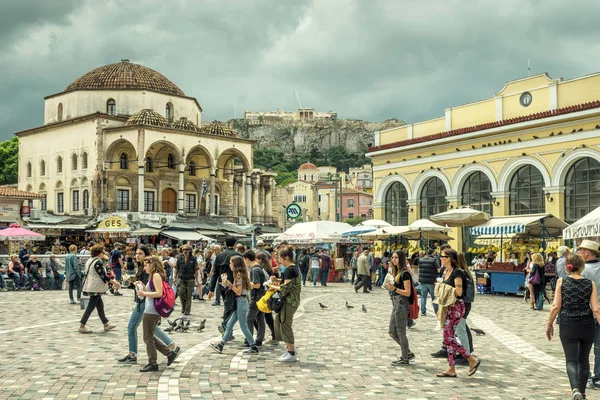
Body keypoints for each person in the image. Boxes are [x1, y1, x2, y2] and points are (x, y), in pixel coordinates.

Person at [547, 253, 600, 400]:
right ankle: (582, 393)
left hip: (568, 324)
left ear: (567, 267)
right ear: (582, 267)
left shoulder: (561, 282)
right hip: (587, 325)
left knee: (571, 360)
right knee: (584, 360)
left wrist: (549, 324)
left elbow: (556, 305)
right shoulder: (590, 284)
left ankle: (575, 389)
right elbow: (596, 309)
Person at [118, 245, 179, 364]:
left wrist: (143, 292)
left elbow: (156, 292)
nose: (137, 256)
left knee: (136, 329)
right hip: (145, 303)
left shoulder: (152, 273)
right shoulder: (143, 269)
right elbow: (149, 288)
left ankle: (142, 358)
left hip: (145, 304)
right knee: (151, 332)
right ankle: (171, 349)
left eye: (140, 253)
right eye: (136, 253)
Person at [436, 248, 480, 378]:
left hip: (456, 307)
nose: (440, 258)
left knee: (447, 338)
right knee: (448, 337)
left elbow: (459, 292)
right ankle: (451, 368)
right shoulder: (446, 271)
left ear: (449, 258)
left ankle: (471, 359)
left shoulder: (457, 273)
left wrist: (442, 288)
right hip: (448, 307)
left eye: (442, 256)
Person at [136, 255, 179, 372]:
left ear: (152, 265)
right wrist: (143, 288)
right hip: (152, 310)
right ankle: (169, 354)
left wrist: (144, 294)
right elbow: (152, 291)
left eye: (146, 265)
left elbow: (159, 293)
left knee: (147, 337)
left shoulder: (156, 275)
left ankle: (153, 362)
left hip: (151, 311)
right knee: (149, 336)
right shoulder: (155, 276)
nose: (144, 267)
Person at [210, 255, 259, 355]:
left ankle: (253, 346)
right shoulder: (239, 274)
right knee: (229, 325)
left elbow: (239, 292)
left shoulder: (239, 276)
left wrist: (229, 284)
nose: (229, 265)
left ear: (235, 264)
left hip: (241, 301)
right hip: (240, 302)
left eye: (231, 263)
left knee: (243, 326)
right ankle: (221, 345)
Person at [270, 246, 301, 362]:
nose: (279, 261)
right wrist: (276, 281)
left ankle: (291, 353)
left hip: (289, 301)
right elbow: (287, 284)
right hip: (292, 301)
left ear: (286, 258)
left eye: (280, 258)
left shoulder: (289, 269)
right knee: (279, 322)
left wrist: (272, 286)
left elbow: (285, 288)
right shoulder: (293, 268)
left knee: (285, 324)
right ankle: (289, 349)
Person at [384, 250, 415, 366]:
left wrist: (394, 289)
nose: (394, 259)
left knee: (401, 332)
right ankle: (407, 352)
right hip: (396, 303)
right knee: (392, 332)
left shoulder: (405, 273)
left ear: (401, 259)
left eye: (396, 257)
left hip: (402, 304)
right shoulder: (396, 272)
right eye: (393, 257)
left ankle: (405, 358)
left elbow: (407, 292)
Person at [79, 244, 118, 334]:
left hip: (91, 285)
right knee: (91, 306)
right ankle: (82, 325)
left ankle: (106, 324)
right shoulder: (98, 262)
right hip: (95, 287)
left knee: (100, 306)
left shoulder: (90, 260)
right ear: (99, 252)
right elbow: (103, 276)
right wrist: (115, 282)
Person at [578, 239, 600, 389]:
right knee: (599, 348)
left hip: (585, 314)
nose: (578, 253)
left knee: (582, 347)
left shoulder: (583, 271)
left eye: (580, 251)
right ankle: (598, 377)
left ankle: (582, 376)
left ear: (587, 252)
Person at [208, 237, 241, 335]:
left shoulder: (219, 256)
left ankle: (227, 332)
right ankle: (225, 326)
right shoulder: (238, 256)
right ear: (235, 244)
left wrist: (211, 289)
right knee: (232, 308)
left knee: (228, 306)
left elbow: (215, 273)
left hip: (222, 285)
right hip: (234, 285)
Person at [243, 250, 267, 347]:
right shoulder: (259, 268)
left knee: (249, 319)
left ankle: (249, 340)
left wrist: (247, 284)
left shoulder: (255, 269)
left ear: (247, 259)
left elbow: (257, 285)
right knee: (260, 319)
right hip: (261, 296)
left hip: (256, 297)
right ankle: (259, 339)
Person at [175, 244, 198, 315]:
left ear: (190, 250)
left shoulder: (193, 258)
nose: (185, 251)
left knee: (189, 295)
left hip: (190, 278)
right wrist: (175, 277)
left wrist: (197, 279)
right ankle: (183, 306)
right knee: (181, 293)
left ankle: (187, 310)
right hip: (181, 278)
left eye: (187, 249)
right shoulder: (179, 258)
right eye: (184, 249)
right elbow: (177, 268)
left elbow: (196, 269)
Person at [417, 248, 440, 317]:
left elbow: (419, 269)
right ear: (432, 253)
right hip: (431, 281)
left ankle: (423, 311)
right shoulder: (434, 260)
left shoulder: (421, 259)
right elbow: (438, 269)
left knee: (423, 296)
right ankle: (436, 311)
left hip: (423, 280)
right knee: (434, 297)